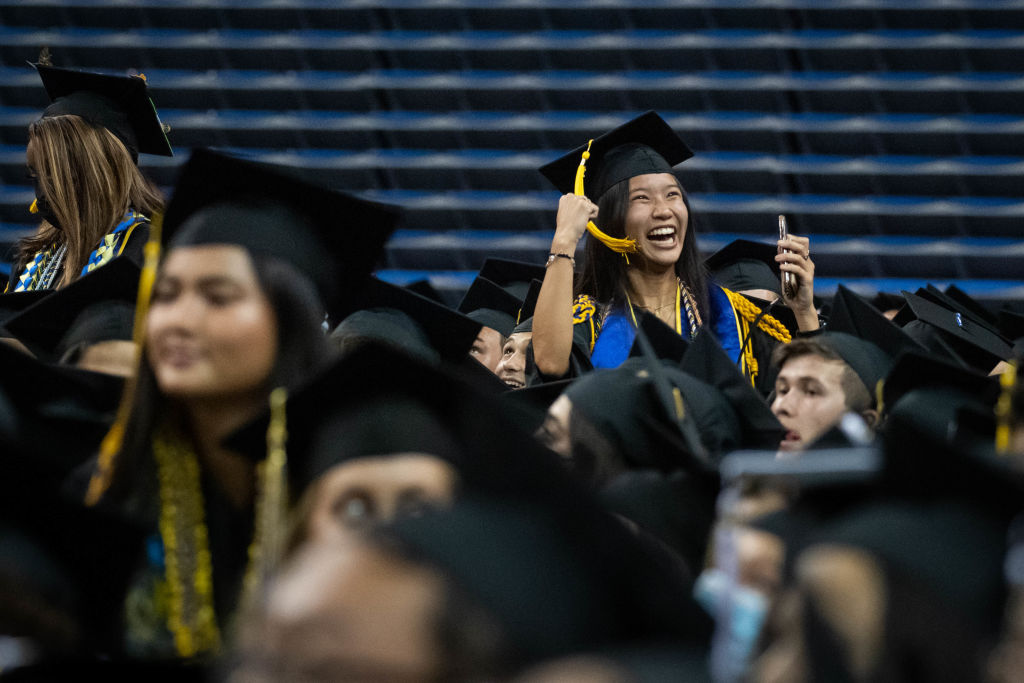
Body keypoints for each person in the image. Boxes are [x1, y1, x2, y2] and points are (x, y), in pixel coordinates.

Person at [80, 149, 398, 660]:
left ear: (289, 319)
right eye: (166, 295)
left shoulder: (351, 495)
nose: (179, 319)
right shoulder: (105, 490)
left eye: (218, 296)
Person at [533, 111, 817, 390]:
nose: (664, 210)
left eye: (672, 195)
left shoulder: (732, 315)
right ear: (609, 222)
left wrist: (804, 312)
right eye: (641, 199)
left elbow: (807, 398)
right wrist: (564, 241)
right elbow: (551, 364)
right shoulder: (591, 322)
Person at [10, 63, 172, 292]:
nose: (42, 189)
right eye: (34, 173)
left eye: (51, 172)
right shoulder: (31, 260)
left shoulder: (146, 250)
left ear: (93, 174)